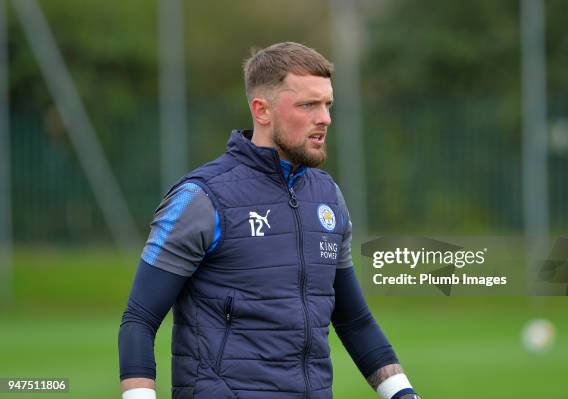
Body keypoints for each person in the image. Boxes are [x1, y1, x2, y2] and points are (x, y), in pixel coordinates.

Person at [118, 42, 420, 399]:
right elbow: (139, 319)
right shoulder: (201, 198)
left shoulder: (327, 197)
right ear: (262, 110)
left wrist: (403, 394)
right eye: (308, 105)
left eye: (328, 104)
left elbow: (355, 321)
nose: (324, 118)